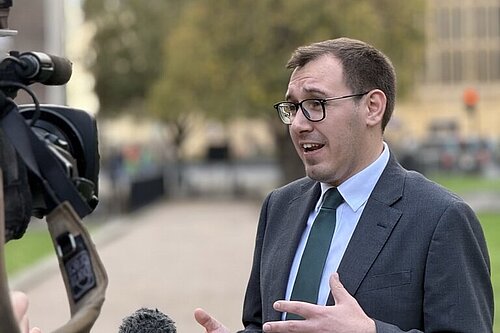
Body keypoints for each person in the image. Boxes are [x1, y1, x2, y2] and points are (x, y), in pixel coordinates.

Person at [194, 37, 493, 332]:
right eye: (293, 107)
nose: (298, 123)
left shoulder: (441, 217)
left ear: (372, 107)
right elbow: (261, 325)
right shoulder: (279, 206)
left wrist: (370, 332)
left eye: (315, 103)